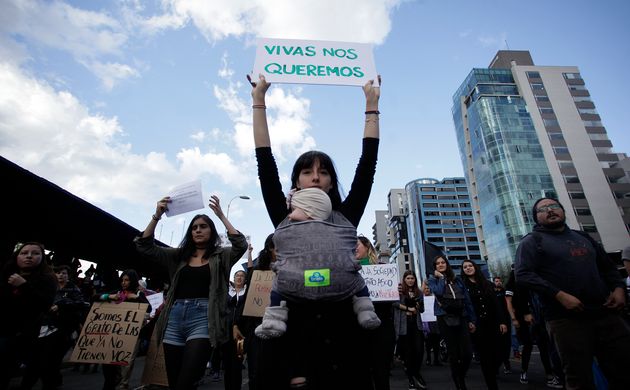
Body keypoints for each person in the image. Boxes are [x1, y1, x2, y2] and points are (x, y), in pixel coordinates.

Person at [249, 72, 380, 389]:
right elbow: (265, 162)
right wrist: (259, 101)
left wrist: (371, 105)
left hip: (344, 329)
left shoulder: (346, 215)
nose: (316, 177)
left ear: (332, 182)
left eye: (323, 172)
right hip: (295, 332)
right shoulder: (284, 215)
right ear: (296, 182)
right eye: (307, 172)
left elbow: (368, 163)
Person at [515, 197, 630, 390]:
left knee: (624, 368)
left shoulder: (583, 237)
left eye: (554, 206)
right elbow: (523, 275)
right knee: (579, 377)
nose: (550, 210)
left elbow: (608, 268)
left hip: (606, 313)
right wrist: (559, 295)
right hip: (566, 320)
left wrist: (618, 289)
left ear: (562, 210)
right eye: (543, 209)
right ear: (536, 218)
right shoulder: (532, 242)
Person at [135, 195, 247, 390]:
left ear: (211, 231)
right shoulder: (178, 256)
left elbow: (240, 244)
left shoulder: (221, 256)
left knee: (187, 380)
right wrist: (157, 215)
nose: (198, 230)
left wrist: (220, 215)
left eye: (203, 226)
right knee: (174, 379)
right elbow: (144, 246)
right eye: (194, 227)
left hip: (203, 319)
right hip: (174, 318)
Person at [255, 187, 379, 339]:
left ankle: (274, 318)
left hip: (333, 319)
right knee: (358, 284)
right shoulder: (339, 222)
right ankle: (365, 310)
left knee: (278, 287)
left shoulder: (293, 219)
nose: (315, 178)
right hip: (312, 315)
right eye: (307, 172)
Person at [0, 242, 57, 390]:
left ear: (42, 257)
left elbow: (44, 305)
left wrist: (24, 286)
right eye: (24, 253)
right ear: (17, 256)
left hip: (21, 335)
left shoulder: (47, 279)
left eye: (35, 253)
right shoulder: (5, 274)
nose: (29, 256)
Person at [21, 265, 88, 390]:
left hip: (61, 329)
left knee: (50, 360)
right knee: (36, 360)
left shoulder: (73, 289)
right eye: (58, 273)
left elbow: (81, 303)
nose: (60, 276)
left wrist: (62, 305)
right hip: (42, 326)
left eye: (63, 273)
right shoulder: (49, 287)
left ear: (68, 276)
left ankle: (51, 383)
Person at [233, 235, 281, 390]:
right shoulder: (258, 273)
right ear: (269, 249)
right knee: (256, 372)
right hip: (257, 329)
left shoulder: (293, 270)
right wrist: (236, 324)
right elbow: (247, 300)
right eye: (276, 246)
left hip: (284, 329)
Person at [505, 269, 561, 388]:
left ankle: (549, 374)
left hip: (537, 317)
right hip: (521, 319)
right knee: (528, 345)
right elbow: (508, 303)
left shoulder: (531, 281)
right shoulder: (512, 284)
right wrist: (514, 319)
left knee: (543, 346)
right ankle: (524, 371)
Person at [427, 256, 477, 390]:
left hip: (461, 316)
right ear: (435, 267)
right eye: (438, 263)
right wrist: (441, 278)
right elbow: (438, 291)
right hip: (444, 317)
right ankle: (460, 384)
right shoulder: (432, 279)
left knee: (467, 352)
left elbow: (466, 300)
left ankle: (460, 375)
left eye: (443, 262)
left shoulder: (457, 279)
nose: (441, 265)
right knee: (453, 353)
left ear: (447, 264)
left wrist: (472, 319)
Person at [98, 269, 151, 390]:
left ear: (132, 281)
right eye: (122, 280)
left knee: (127, 361)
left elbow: (148, 308)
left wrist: (135, 298)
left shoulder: (139, 295)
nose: (123, 282)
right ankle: (113, 381)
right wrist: (109, 296)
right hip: (114, 333)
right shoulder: (117, 293)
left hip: (132, 334)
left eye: (126, 280)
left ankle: (123, 383)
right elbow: (95, 298)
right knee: (109, 361)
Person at [356, 235, 397, 390]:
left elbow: (392, 300)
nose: (352, 248)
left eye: (356, 244)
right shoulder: (347, 271)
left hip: (382, 326)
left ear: (367, 246)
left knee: (381, 374)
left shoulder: (383, 269)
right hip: (357, 329)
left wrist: (395, 291)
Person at [460, 260, 508, 390]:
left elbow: (497, 305)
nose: (468, 268)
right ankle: (492, 385)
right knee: (485, 358)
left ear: (475, 267)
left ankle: (493, 369)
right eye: (465, 267)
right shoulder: (463, 286)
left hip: (492, 324)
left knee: (500, 353)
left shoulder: (488, 284)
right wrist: (469, 321)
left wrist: (502, 321)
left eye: (470, 266)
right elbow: (464, 306)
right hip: (477, 326)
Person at [393, 270, 428, 390]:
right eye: (408, 278)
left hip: (416, 325)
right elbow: (395, 304)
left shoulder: (419, 292)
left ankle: (416, 372)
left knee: (419, 351)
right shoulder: (399, 291)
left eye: (412, 278)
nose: (410, 280)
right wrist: (408, 308)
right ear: (404, 279)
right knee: (407, 353)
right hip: (404, 325)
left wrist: (417, 305)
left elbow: (422, 309)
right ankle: (411, 379)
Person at [221, 269, 247, 390]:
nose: (239, 278)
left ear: (245, 280)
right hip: (225, 333)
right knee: (227, 364)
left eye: (242, 276)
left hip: (240, 335)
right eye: (237, 275)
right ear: (234, 278)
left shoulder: (247, 293)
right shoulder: (227, 292)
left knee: (237, 363)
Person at [493, 276, 512, 375]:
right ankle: (497, 365)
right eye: (496, 281)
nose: (498, 282)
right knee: (499, 343)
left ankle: (506, 362)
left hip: (507, 319)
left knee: (507, 343)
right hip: (497, 321)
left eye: (500, 281)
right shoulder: (493, 293)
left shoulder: (505, 292)